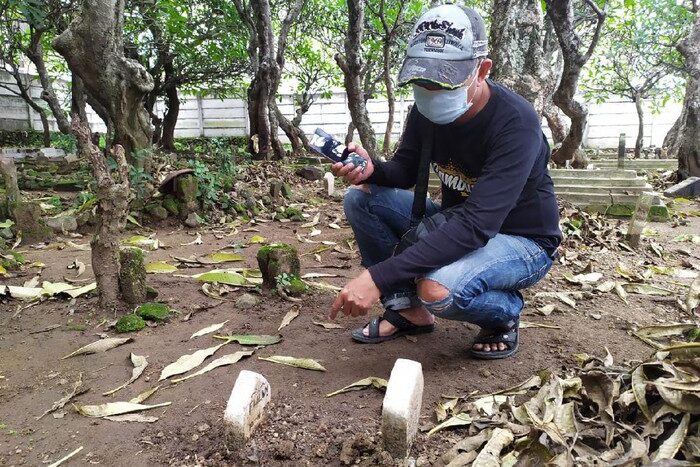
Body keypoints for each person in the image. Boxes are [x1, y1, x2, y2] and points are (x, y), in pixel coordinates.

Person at [329, 3, 562, 359]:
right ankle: (408, 311)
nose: (430, 92)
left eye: (443, 81)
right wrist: (371, 169)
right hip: (458, 220)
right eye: (422, 81)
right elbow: (406, 170)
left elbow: (477, 226)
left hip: (521, 239)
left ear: (481, 70)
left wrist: (377, 277)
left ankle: (504, 314)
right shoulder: (424, 112)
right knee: (361, 198)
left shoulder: (516, 124)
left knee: (437, 289)